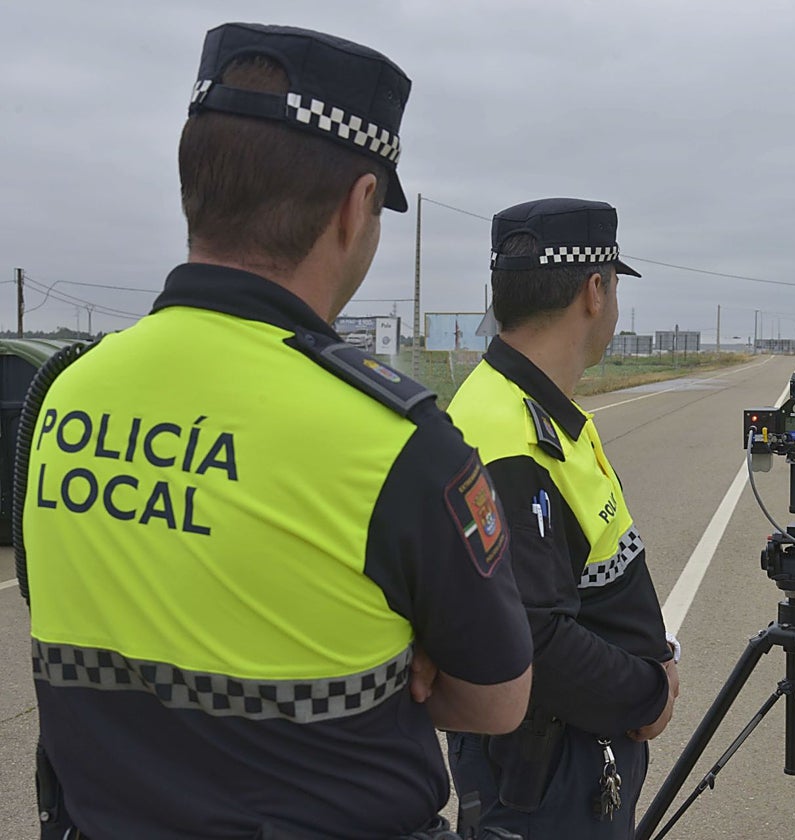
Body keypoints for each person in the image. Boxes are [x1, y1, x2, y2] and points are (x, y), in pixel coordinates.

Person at [19, 23, 533, 839]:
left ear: (193, 186)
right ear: (358, 206)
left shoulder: (64, 392)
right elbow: (497, 704)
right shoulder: (396, 440)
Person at [446, 198, 681, 839]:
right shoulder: (508, 437)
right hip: (546, 779)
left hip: (567, 763)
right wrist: (649, 693)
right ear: (594, 291)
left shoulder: (535, 408)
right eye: (614, 288)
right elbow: (532, 638)